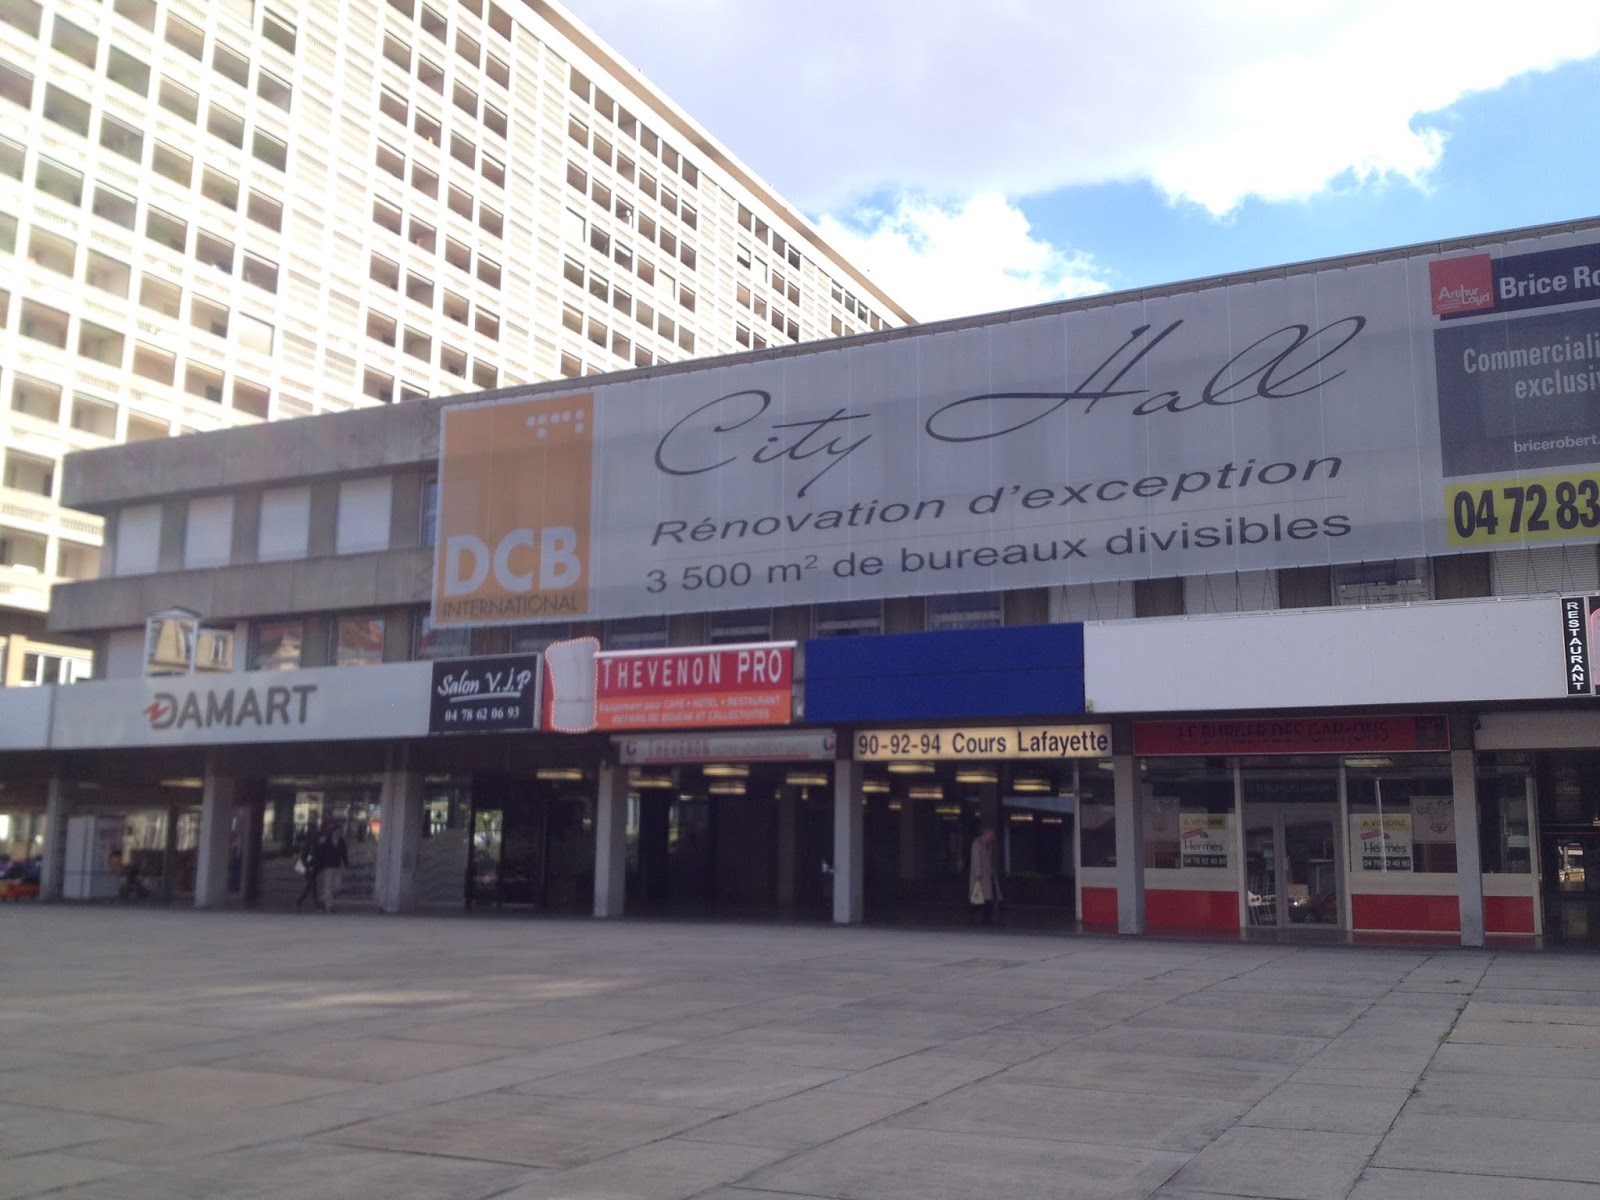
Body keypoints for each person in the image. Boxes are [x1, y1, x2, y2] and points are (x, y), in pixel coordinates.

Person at [968, 825, 1002, 926]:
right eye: (992, 835)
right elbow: (976, 859)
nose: (993, 838)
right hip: (980, 877)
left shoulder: (988, 846)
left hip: (987, 876)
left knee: (987, 898)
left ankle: (986, 919)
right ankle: (980, 919)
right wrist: (978, 874)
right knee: (979, 898)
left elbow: (989, 862)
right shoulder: (977, 843)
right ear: (987, 834)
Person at [316, 826, 349, 913]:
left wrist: (345, 866)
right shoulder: (326, 841)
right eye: (336, 832)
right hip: (328, 866)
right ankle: (328, 906)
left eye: (339, 833)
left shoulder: (341, 842)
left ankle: (324, 899)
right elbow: (320, 852)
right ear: (333, 833)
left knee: (337, 887)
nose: (338, 834)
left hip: (337, 866)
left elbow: (344, 854)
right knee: (328, 886)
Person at [295, 831, 324, 911]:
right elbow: (303, 857)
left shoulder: (320, 846)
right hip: (308, 869)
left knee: (309, 887)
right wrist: (308, 866)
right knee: (314, 886)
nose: (324, 839)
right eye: (323, 838)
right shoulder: (311, 845)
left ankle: (299, 901)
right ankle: (317, 904)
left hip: (314, 869)